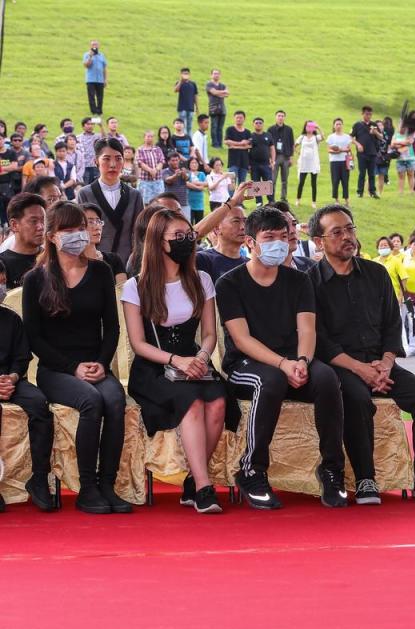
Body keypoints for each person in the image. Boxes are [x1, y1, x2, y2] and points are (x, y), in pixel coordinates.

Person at [309, 205, 415, 504]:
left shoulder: (376, 273)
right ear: (318, 241)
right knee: (357, 399)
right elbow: (318, 339)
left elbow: (392, 323)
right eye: (337, 232)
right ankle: (365, 479)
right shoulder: (311, 282)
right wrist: (359, 369)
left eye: (350, 229)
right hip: (341, 366)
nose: (347, 237)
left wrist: (386, 363)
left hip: (380, 363)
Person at [216, 205, 347, 510]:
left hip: (293, 360)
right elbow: (242, 339)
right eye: (269, 236)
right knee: (271, 380)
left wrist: (301, 360)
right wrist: (282, 363)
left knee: (327, 378)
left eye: (283, 236)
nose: (277, 242)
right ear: (250, 242)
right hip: (246, 365)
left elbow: (307, 329)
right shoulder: (230, 284)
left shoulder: (298, 281)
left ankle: (332, 470)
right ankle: (252, 470)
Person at [121, 208, 237, 514]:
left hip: (196, 360)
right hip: (155, 368)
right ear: (159, 241)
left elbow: (210, 334)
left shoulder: (201, 279)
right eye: (179, 236)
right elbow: (138, 344)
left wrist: (199, 357)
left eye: (189, 235)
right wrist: (176, 360)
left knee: (218, 402)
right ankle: (203, 486)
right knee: (193, 402)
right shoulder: (136, 286)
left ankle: (191, 482)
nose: (187, 241)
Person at [22, 201, 128, 514]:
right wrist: (73, 367)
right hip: (55, 369)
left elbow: (111, 327)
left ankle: (107, 483)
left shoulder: (100, 271)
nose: (78, 236)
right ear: (52, 236)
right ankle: (87, 487)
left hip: (96, 363)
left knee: (115, 399)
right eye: (69, 230)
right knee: (91, 401)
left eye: (81, 228)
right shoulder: (36, 279)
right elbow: (34, 337)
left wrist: (101, 362)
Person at [0, 259, 57, 512]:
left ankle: (39, 477)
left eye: (1, 281)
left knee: (39, 404)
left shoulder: (11, 319)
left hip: (10, 380)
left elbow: (22, 356)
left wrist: (11, 378)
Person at [77, 138, 145, 264]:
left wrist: (136, 260)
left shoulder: (134, 195)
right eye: (106, 159)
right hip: (94, 262)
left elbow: (140, 233)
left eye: (118, 158)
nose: (113, 164)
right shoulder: (85, 194)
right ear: (96, 161)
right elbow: (81, 232)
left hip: (128, 262)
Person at [0, 192, 44, 289]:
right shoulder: (3, 264)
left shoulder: (53, 256)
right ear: (14, 225)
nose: (41, 227)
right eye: (34, 221)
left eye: (43, 220)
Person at [196, 201, 248, 282]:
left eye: (245, 221)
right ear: (216, 228)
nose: (242, 227)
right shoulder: (202, 260)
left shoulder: (250, 264)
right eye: (236, 221)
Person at [81, 202, 127, 284]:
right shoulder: (73, 263)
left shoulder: (114, 260)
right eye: (90, 222)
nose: (97, 227)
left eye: (98, 221)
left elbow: (122, 293)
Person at [351, 106, 381, 199]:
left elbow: (381, 137)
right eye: (367, 114)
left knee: (372, 173)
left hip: (372, 152)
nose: (369, 116)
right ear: (362, 114)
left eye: (370, 114)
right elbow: (351, 137)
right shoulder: (357, 125)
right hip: (362, 153)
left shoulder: (374, 124)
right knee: (362, 173)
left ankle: (372, 192)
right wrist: (358, 144)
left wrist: (375, 132)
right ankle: (360, 192)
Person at [269, 110, 295, 202]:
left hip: (286, 157)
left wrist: (291, 157)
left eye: (282, 116)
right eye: (279, 116)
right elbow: (268, 145)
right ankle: (271, 198)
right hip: (275, 157)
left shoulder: (289, 129)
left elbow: (292, 143)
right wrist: (270, 158)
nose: (280, 117)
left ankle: (283, 198)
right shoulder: (271, 129)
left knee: (285, 179)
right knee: (273, 179)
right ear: (276, 117)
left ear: (284, 117)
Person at [295, 121, 322, 207]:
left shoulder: (316, 137)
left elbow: (323, 137)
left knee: (313, 183)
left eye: (311, 127)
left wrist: (318, 127)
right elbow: (294, 145)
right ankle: (298, 200)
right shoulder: (302, 137)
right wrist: (298, 153)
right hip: (304, 163)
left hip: (313, 163)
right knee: (301, 182)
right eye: (308, 126)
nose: (309, 128)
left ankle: (314, 202)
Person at [326, 118, 351, 206]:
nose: (338, 126)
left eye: (340, 124)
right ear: (334, 126)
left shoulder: (347, 137)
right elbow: (329, 150)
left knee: (345, 180)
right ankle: (336, 199)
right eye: (337, 124)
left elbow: (348, 149)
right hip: (334, 161)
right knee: (335, 180)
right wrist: (336, 151)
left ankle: (346, 199)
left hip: (344, 161)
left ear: (342, 125)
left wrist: (340, 150)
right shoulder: (331, 137)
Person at [225, 111, 252, 185]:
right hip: (233, 161)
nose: (239, 119)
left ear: (244, 119)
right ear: (234, 118)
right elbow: (227, 142)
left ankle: (240, 197)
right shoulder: (230, 130)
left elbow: (250, 145)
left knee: (242, 184)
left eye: (241, 118)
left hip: (244, 162)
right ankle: (231, 197)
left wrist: (234, 146)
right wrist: (241, 144)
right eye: (237, 118)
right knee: (231, 183)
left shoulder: (247, 132)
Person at [161, 152, 191, 219]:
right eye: (173, 160)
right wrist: (175, 175)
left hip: (183, 202)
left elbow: (187, 178)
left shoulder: (184, 170)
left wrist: (183, 173)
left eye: (177, 160)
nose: (175, 162)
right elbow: (168, 180)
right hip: (170, 203)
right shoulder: (165, 171)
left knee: (186, 223)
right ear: (168, 162)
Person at [205, 69, 229, 149]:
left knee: (220, 127)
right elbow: (214, 92)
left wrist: (217, 93)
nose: (216, 75)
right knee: (214, 126)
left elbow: (227, 94)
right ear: (211, 75)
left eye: (218, 74)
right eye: (214, 74)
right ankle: (215, 143)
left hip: (222, 108)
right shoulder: (209, 84)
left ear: (220, 75)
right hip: (213, 108)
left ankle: (220, 144)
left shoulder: (223, 85)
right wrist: (222, 92)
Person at [83, 40, 107, 115]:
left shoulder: (102, 55)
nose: (94, 46)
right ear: (90, 46)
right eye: (93, 44)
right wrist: (90, 56)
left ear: (98, 46)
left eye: (96, 44)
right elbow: (86, 65)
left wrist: (105, 79)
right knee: (91, 96)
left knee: (100, 96)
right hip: (91, 79)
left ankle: (99, 111)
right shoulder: (86, 54)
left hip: (100, 80)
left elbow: (104, 68)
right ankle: (94, 111)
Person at [173, 67, 200, 136]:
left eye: (187, 73)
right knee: (182, 125)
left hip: (191, 108)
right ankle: (183, 137)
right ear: (181, 74)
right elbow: (175, 90)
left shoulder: (193, 84)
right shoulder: (179, 83)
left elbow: (195, 95)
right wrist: (181, 81)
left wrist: (197, 107)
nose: (185, 75)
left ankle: (190, 140)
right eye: (184, 73)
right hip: (182, 108)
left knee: (190, 126)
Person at [391, 125, 415, 195]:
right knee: (401, 175)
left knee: (411, 174)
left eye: (405, 127)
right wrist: (404, 143)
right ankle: (401, 192)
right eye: (402, 127)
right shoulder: (395, 135)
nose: (403, 128)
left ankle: (411, 191)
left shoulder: (409, 134)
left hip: (410, 157)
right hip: (400, 158)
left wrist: (397, 143)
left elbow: (410, 142)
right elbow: (392, 145)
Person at [186, 157, 207, 224]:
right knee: (190, 224)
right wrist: (199, 188)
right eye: (192, 163)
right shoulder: (187, 174)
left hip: (199, 204)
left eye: (196, 163)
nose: (194, 164)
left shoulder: (202, 174)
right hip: (189, 203)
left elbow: (206, 183)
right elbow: (187, 184)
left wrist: (194, 183)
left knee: (199, 225)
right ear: (189, 164)